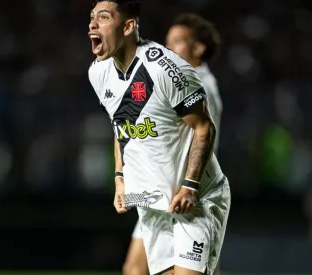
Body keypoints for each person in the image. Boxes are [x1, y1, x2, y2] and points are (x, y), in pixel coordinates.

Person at [87, 1, 231, 275]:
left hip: (193, 201)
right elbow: (122, 128)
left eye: (103, 17)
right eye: (92, 17)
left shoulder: (166, 68)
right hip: (152, 199)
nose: (92, 24)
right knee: (133, 269)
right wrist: (120, 178)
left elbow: (204, 128)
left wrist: (189, 186)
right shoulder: (98, 73)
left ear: (129, 26)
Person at [123, 13, 223, 275]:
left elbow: (202, 135)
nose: (169, 48)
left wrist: (190, 184)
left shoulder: (201, 85)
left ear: (198, 48)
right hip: (160, 191)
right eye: (168, 42)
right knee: (135, 269)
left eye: (178, 41)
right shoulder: (172, 82)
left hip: (185, 192)